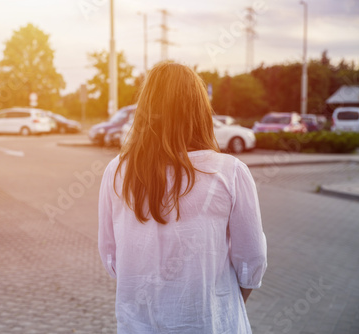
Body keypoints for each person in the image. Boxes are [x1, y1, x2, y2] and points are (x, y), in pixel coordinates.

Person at [98, 62, 267, 333]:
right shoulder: (231, 173)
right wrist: (219, 302)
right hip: (210, 324)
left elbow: (111, 258)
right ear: (199, 111)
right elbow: (251, 262)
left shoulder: (117, 171)